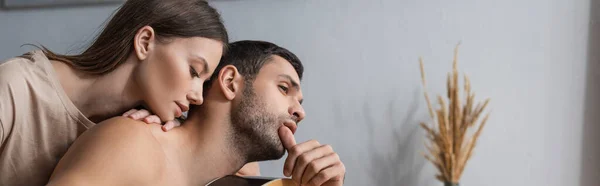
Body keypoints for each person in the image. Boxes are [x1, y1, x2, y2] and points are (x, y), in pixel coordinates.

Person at [47, 40, 346, 186]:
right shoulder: (133, 142)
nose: (300, 112)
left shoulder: (244, 178)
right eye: (284, 88)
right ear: (230, 82)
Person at [0, 0, 229, 185]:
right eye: (194, 71)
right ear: (145, 42)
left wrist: (172, 142)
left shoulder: (136, 130)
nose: (198, 96)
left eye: (205, 81)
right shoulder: (14, 86)